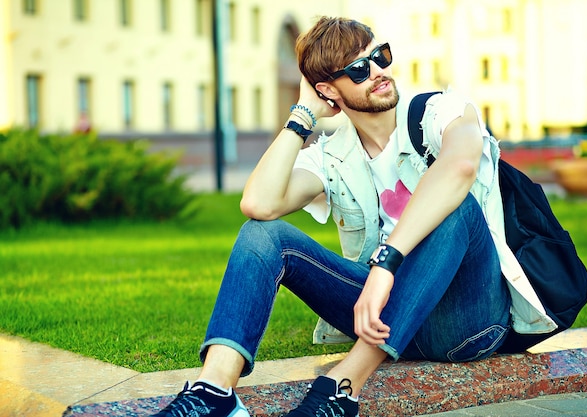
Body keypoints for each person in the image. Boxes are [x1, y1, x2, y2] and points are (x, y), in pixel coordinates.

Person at [152, 16, 555, 417]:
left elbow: (461, 167)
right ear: (329, 90)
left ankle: (342, 389)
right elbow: (259, 203)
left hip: (465, 322)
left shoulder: (440, 111)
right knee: (262, 234)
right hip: (379, 317)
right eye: (360, 69)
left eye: (380, 56)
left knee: (457, 208)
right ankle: (214, 392)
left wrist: (386, 264)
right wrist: (302, 115)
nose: (378, 72)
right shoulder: (333, 154)